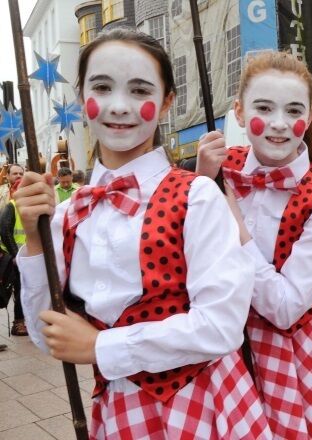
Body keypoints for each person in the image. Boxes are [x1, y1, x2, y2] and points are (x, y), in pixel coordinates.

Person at [14, 28, 271, 438]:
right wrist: (32, 236)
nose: (119, 106)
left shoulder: (198, 196)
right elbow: (52, 337)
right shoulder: (67, 213)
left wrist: (102, 347)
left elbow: (221, 324)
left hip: (207, 406)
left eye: (139, 90)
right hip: (120, 411)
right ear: (81, 97)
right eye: (102, 86)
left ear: (167, 101)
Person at [196, 51, 312, 439]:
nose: (278, 123)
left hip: (297, 359)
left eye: (293, 111)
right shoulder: (222, 171)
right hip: (222, 349)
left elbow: (286, 307)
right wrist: (201, 184)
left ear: (308, 119)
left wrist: (234, 226)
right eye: (263, 107)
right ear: (239, 113)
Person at [0, 181, 28, 337]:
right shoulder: (12, 206)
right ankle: (18, 323)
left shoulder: (29, 207)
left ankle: (27, 321)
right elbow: (5, 231)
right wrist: (15, 254)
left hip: (28, 256)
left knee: (27, 290)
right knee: (19, 290)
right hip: (16, 258)